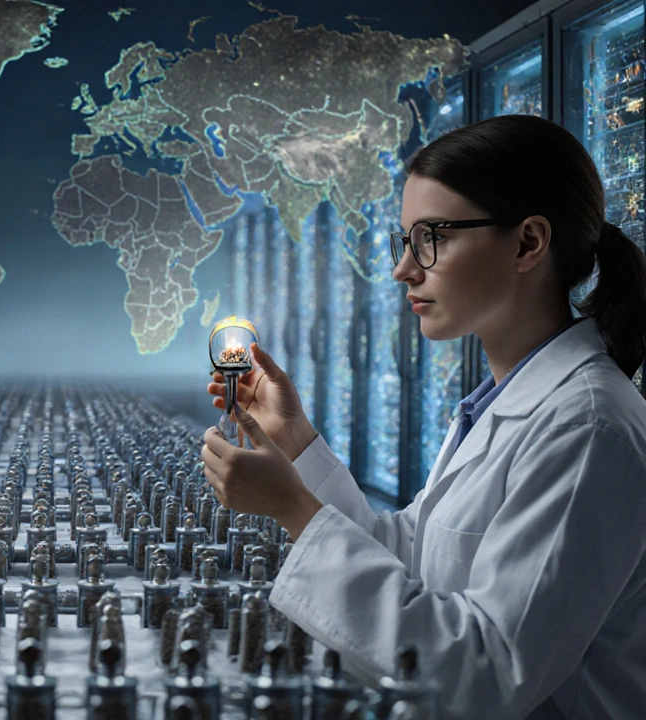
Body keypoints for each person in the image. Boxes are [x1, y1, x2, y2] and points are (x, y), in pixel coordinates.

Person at [200, 115, 646, 719]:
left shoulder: (588, 428)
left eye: (432, 237)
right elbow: (413, 558)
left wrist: (292, 508)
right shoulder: (505, 401)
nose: (404, 269)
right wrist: (295, 439)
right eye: (405, 239)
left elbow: (485, 671)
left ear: (528, 243)